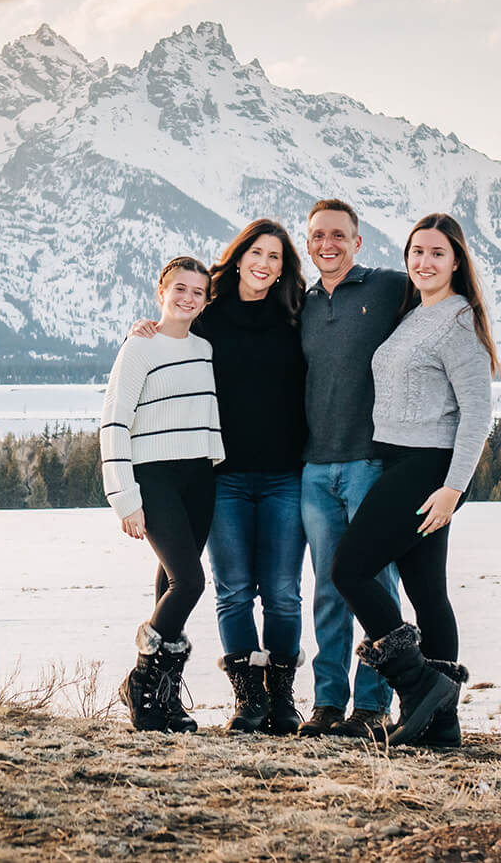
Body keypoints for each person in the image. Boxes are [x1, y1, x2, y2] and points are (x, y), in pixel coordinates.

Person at [331, 211, 498, 747]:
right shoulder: (413, 315)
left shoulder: (456, 321)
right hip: (403, 462)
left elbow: (477, 413)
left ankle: (419, 683)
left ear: (456, 262)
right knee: (428, 593)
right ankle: (441, 726)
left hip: (431, 468)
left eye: (437, 254)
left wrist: (453, 487)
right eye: (417, 252)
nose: (423, 262)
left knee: (350, 570)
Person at [137, 220, 309, 733]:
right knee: (233, 589)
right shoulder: (207, 315)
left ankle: (280, 699)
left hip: (286, 474)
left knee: (282, 591)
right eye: (257, 252)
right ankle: (247, 700)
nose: (265, 264)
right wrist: (143, 331)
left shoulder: (297, 314)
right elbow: (170, 337)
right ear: (238, 257)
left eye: (276, 257)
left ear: (284, 268)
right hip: (224, 476)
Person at [296, 198, 409, 740]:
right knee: (326, 589)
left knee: (374, 583)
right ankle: (325, 703)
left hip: (368, 463)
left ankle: (372, 707)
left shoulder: (387, 287)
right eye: (318, 236)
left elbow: (443, 297)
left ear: (357, 242)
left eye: (338, 235)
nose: (327, 245)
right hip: (314, 469)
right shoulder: (302, 302)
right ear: (308, 241)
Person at [101, 255, 226, 732]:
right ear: (162, 291)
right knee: (190, 583)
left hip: (199, 475)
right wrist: (124, 496)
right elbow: (114, 420)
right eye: (179, 288)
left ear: (206, 299)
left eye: (198, 291)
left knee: (168, 584)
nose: (188, 297)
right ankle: (140, 680)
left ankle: (162, 701)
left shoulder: (205, 349)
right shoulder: (139, 347)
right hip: (153, 477)